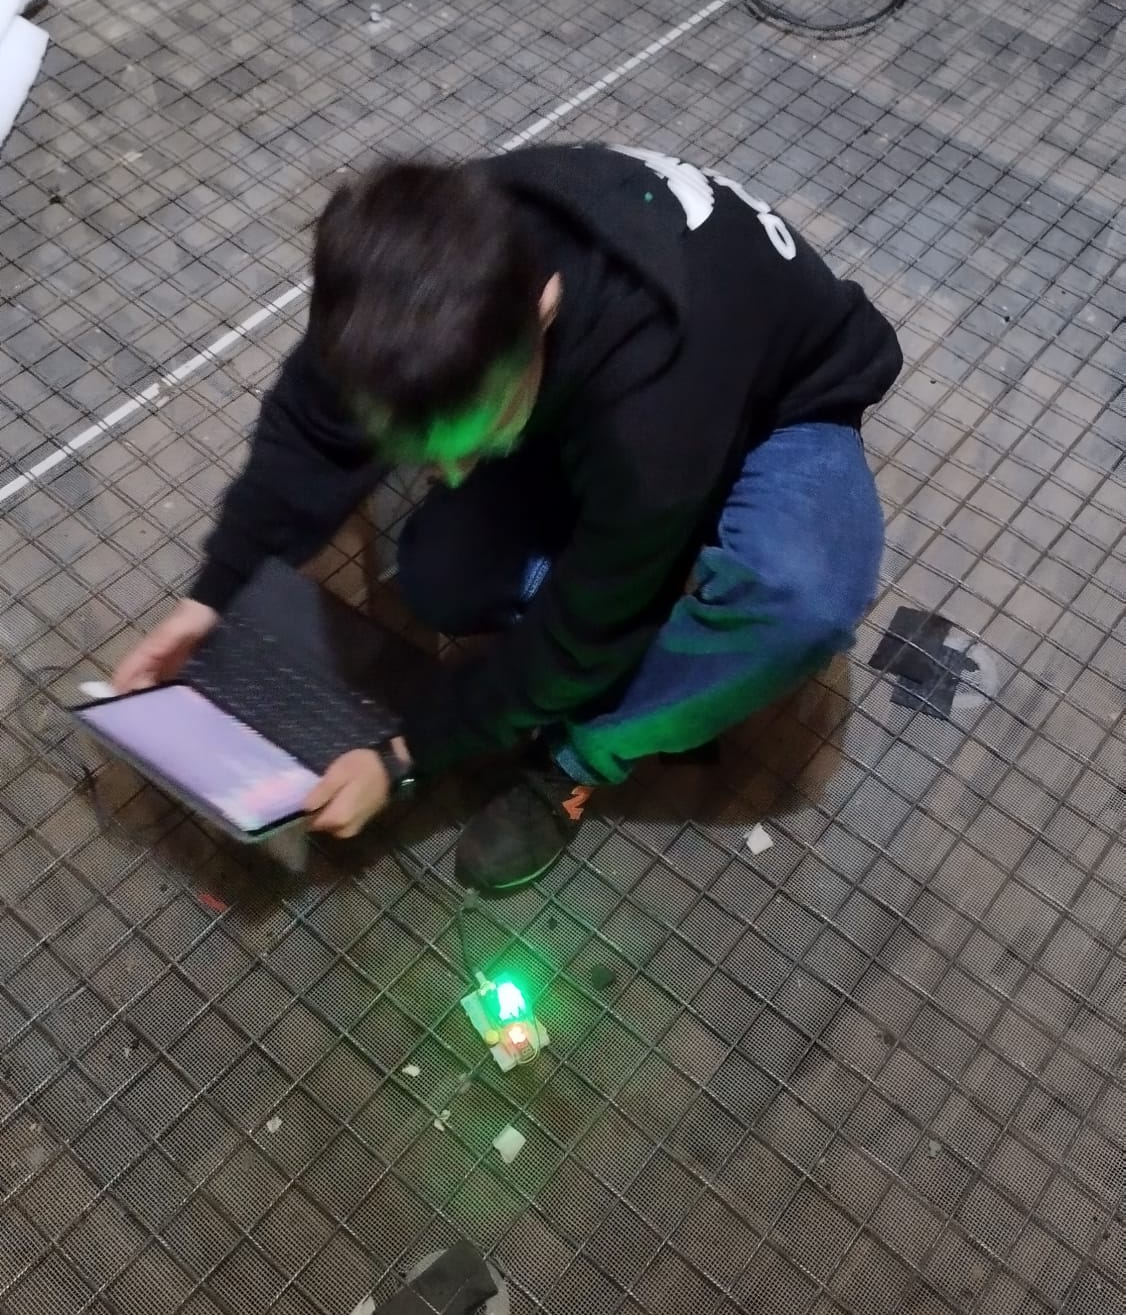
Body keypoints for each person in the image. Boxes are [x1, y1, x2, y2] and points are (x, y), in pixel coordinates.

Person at [114, 143, 901, 891]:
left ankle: (582, 754)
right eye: (429, 453)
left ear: (544, 311)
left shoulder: (649, 404)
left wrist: (403, 754)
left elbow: (576, 641)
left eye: (474, 442)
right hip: (599, 416)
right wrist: (209, 597)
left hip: (778, 400)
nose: (451, 474)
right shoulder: (400, 273)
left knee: (796, 602)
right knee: (441, 578)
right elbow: (307, 430)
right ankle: (631, 550)